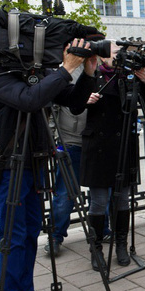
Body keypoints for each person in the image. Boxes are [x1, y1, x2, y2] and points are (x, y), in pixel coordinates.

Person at [0, 39, 97, 291]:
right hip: (10, 164)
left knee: (31, 230)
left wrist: (87, 73)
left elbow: (74, 101)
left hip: (33, 162)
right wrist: (65, 68)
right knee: (14, 236)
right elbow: (29, 100)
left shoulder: (39, 74)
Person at [76, 56, 145, 271]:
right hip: (98, 147)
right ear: (102, 55)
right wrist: (86, 97)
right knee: (99, 201)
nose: (117, 57)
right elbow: (74, 105)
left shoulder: (130, 77)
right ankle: (96, 249)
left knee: (122, 201)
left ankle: (121, 244)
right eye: (112, 52)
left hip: (124, 145)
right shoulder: (92, 74)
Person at [44, 67, 111, 257]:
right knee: (65, 194)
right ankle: (55, 236)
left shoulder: (105, 71)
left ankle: (102, 230)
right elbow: (53, 110)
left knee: (102, 192)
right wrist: (52, 142)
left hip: (98, 143)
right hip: (71, 142)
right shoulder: (65, 71)